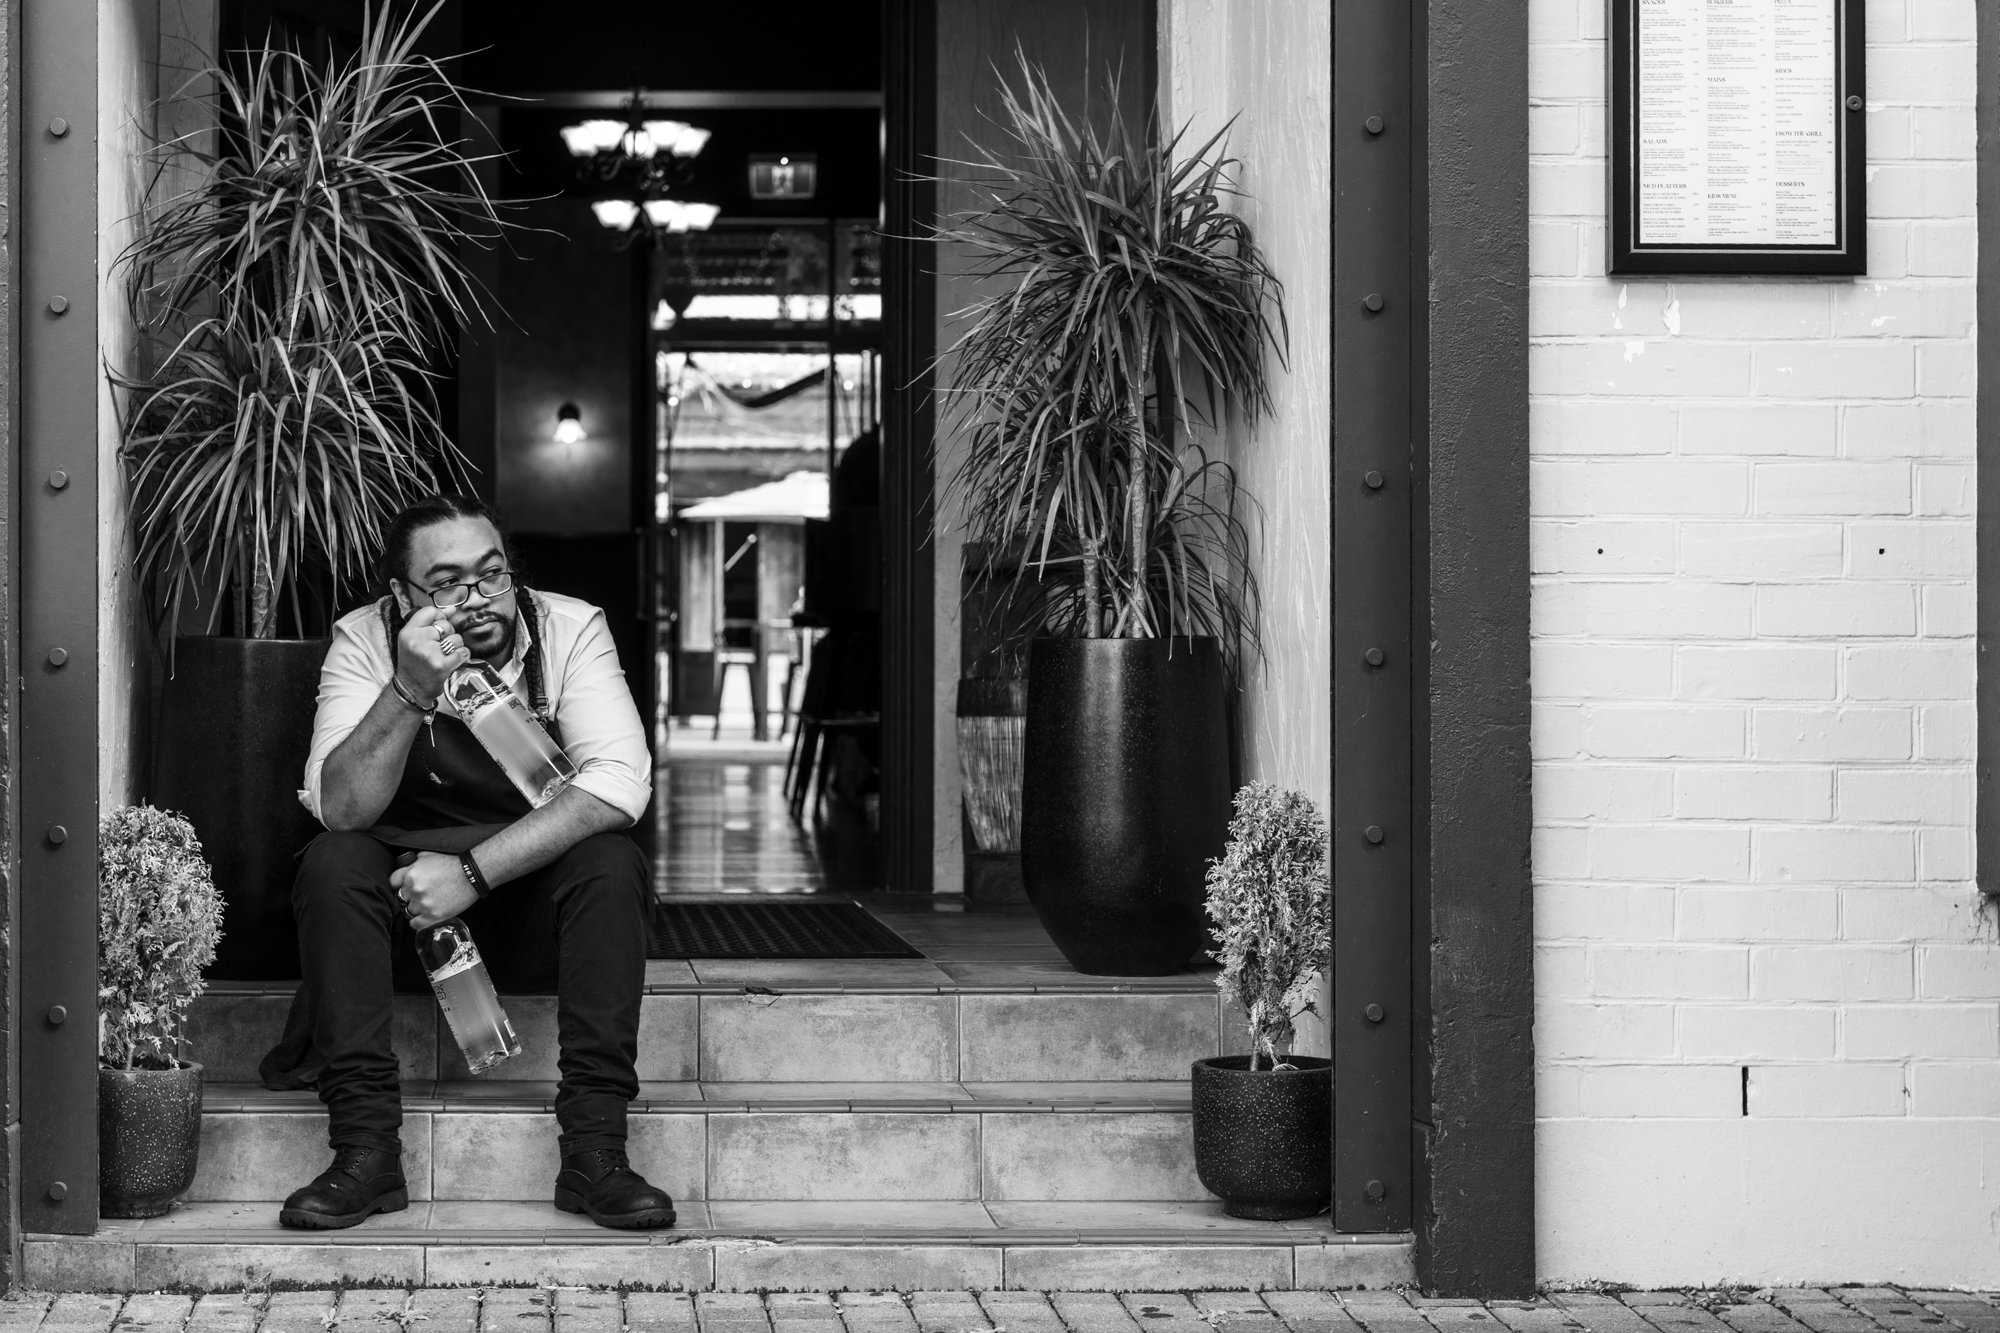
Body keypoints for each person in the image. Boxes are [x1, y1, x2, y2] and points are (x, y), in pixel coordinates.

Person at [281, 494, 673, 1231]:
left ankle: (596, 1151)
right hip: (403, 919)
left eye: (492, 575)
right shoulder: (364, 640)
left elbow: (620, 783)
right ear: (401, 597)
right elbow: (340, 805)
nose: (478, 599)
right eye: (448, 584)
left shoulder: (567, 627)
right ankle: (365, 1153)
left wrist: (468, 874)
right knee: (333, 861)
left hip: (522, 913)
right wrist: (407, 689)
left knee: (610, 862)